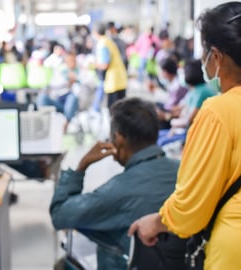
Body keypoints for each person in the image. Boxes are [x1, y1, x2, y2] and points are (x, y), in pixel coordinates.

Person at [129, 2, 241, 270]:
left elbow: (191, 208)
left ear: (216, 56)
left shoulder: (217, 111)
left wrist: (155, 223)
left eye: (204, 51)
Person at [50, 98, 185, 269]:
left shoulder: (118, 190)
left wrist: (81, 167)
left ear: (118, 139)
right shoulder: (185, 173)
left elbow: (59, 214)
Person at [37, 53, 80, 133]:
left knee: (72, 97)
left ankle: (65, 125)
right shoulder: (60, 72)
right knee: (42, 97)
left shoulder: (80, 73)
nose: (71, 63)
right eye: (69, 61)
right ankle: (42, 124)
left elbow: (81, 91)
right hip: (57, 101)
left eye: (73, 61)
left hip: (72, 104)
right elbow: (53, 85)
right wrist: (66, 82)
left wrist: (75, 81)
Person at [91, 23, 127, 112]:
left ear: (95, 33)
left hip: (113, 81)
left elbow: (104, 64)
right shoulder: (108, 41)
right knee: (120, 109)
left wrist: (92, 66)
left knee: (113, 110)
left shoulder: (102, 44)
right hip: (120, 78)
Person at [156, 57, 188, 129]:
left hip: (175, 115)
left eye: (161, 72)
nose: (160, 74)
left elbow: (172, 107)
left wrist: (165, 115)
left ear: (166, 72)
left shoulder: (178, 86)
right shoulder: (173, 83)